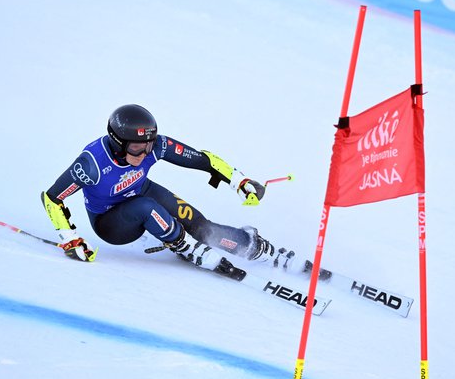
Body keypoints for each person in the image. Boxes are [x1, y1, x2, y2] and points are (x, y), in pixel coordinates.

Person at [41, 104, 299, 275]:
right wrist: (69, 238)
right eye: (136, 148)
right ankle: (184, 246)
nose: (144, 153)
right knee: (146, 207)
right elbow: (52, 198)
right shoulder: (92, 164)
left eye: (149, 145)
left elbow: (202, 159)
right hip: (112, 223)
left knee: (198, 223)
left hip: (141, 191)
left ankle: (251, 246)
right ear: (118, 144)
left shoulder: (153, 146)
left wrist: (239, 181)